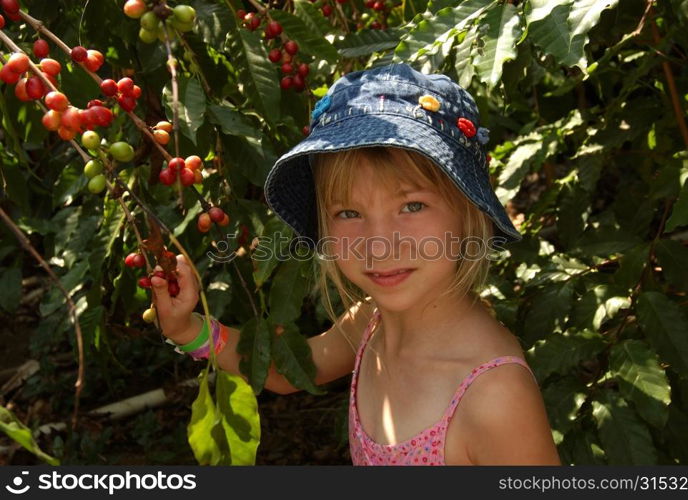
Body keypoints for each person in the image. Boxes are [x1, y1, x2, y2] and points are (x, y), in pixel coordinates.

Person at [151, 63, 560, 465]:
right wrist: (189, 329)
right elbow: (288, 372)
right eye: (348, 213)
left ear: (469, 211)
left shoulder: (494, 396)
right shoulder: (373, 320)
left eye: (412, 206)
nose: (379, 247)